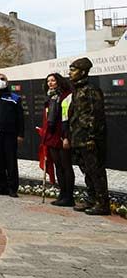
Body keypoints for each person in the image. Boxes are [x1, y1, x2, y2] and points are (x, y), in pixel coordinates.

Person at [67, 57, 109, 215]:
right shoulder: (77, 90)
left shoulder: (90, 90)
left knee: (96, 170)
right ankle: (92, 199)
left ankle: (103, 203)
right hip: (79, 137)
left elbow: (95, 115)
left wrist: (92, 137)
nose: (70, 73)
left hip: (89, 139)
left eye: (73, 70)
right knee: (87, 170)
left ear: (83, 72)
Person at [42, 73, 74, 207]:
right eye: (48, 81)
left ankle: (69, 196)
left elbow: (67, 117)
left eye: (53, 80)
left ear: (59, 81)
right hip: (52, 135)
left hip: (62, 134)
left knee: (66, 166)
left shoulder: (66, 96)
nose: (50, 83)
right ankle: (62, 194)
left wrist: (66, 136)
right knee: (58, 166)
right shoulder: (50, 97)